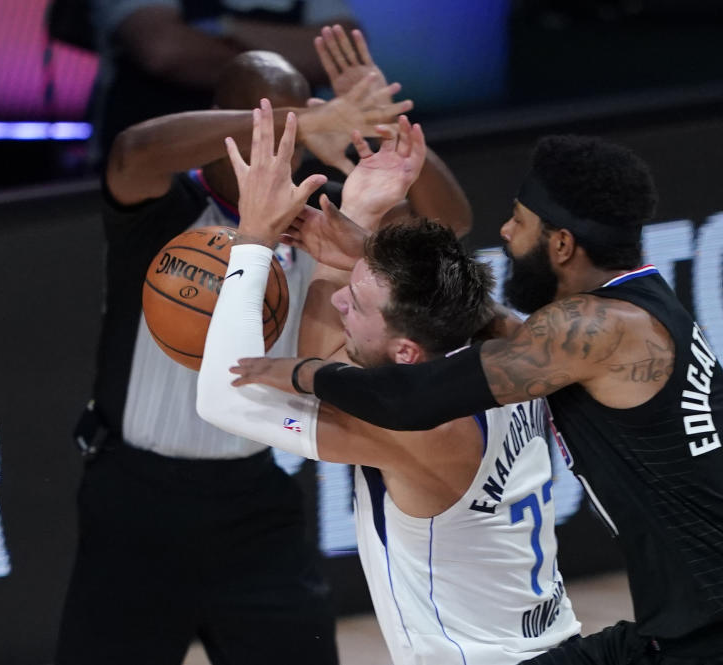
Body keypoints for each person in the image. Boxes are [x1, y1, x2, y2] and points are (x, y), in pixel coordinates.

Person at [234, 135, 723, 665]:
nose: (504, 232)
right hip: (696, 638)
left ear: (560, 244)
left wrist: (297, 370)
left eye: (519, 221)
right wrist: (368, 256)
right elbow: (512, 334)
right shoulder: (636, 310)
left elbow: (411, 400)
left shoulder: (602, 327)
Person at [52, 46, 415, 665]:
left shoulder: (314, 224)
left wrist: (389, 146)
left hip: (255, 504)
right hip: (136, 503)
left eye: (291, 132)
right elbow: (130, 151)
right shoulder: (163, 210)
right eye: (260, 123)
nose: (276, 143)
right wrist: (293, 117)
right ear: (217, 121)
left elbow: (449, 223)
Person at [195, 100, 582, 665]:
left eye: (360, 301)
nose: (342, 301)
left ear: (407, 351)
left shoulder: (414, 426)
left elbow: (221, 397)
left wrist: (253, 240)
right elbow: (333, 359)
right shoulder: (502, 353)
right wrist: (356, 213)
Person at [87, 0, 358, 165]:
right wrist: (295, 57)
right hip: (161, 181)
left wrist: (222, 27)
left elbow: (345, 56)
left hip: (279, 174)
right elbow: (164, 50)